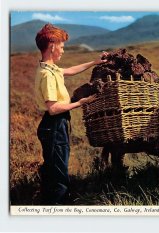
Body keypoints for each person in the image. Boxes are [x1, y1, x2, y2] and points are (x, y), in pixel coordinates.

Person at [34, 23, 108, 204]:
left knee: (52, 168)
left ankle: (47, 202)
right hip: (54, 124)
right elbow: (53, 109)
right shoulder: (47, 75)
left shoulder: (50, 68)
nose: (63, 50)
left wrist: (94, 62)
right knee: (59, 173)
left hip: (55, 125)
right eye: (62, 46)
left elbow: (69, 70)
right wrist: (80, 103)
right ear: (52, 46)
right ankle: (59, 207)